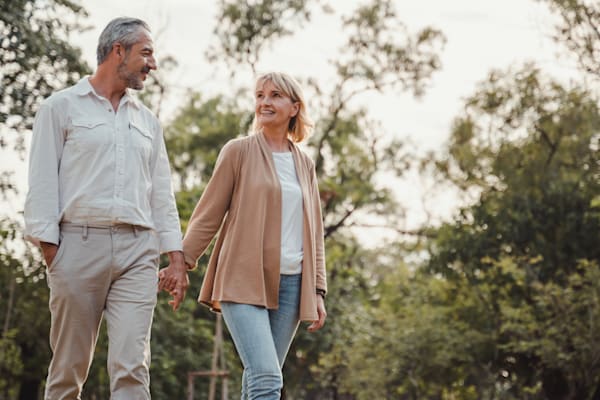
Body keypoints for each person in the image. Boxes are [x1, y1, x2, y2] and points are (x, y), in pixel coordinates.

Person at [24, 17, 189, 400]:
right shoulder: (60, 108)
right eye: (146, 52)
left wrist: (175, 258)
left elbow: (161, 194)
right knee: (69, 369)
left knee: (132, 369)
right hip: (77, 246)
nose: (152, 63)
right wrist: (53, 252)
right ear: (119, 51)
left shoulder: (148, 122)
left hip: (137, 253)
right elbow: (43, 183)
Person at [160, 71, 327, 399]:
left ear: (294, 108)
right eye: (260, 95)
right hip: (242, 277)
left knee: (258, 379)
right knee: (267, 378)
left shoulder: (305, 164)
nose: (265, 102)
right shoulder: (238, 152)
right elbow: (208, 214)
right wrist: (182, 262)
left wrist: (318, 288)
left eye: (275, 95)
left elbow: (315, 231)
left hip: (292, 284)